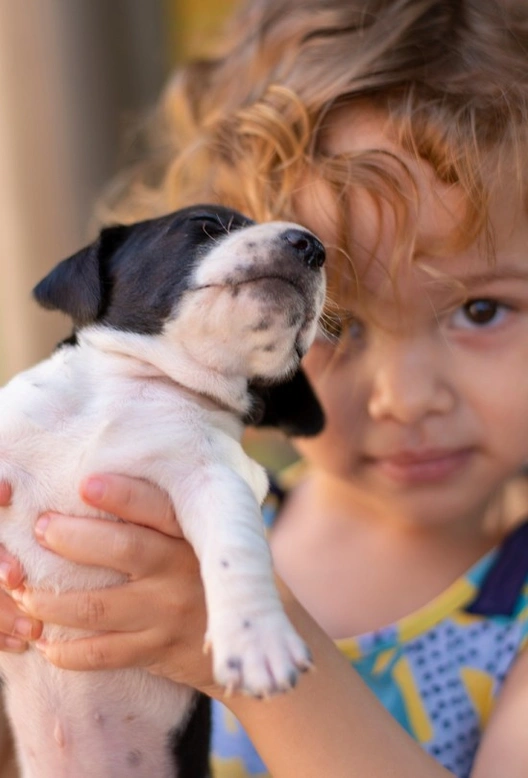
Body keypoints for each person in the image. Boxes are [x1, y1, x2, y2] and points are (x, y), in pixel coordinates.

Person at [1, 0, 528, 775]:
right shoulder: (165, 536)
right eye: (334, 324)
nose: (406, 399)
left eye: (481, 310)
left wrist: (245, 638)